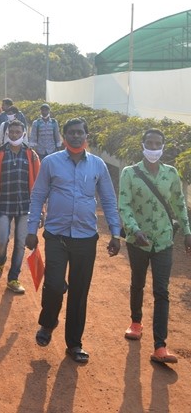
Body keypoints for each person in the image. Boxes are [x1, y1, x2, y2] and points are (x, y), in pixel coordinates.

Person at [26, 117, 122, 364]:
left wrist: (115, 232)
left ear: (86, 135)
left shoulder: (98, 166)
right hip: (56, 235)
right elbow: (38, 196)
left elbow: (109, 200)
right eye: (71, 133)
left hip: (85, 238)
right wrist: (31, 228)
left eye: (80, 132)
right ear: (64, 137)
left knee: (79, 292)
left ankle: (74, 344)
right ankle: (47, 324)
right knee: (55, 284)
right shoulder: (50, 162)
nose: (76, 136)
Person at [118, 128, 191, 364]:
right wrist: (134, 229)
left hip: (163, 239)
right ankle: (136, 322)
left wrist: (187, 231)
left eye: (157, 143)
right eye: (149, 143)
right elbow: (124, 205)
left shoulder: (171, 174)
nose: (153, 147)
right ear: (142, 145)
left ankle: (160, 345)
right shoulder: (130, 173)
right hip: (137, 240)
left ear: (163, 146)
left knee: (162, 290)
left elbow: (179, 205)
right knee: (137, 281)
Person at [0, 120, 41, 293]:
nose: (14, 135)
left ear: (24, 134)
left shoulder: (31, 155)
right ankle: (0, 261)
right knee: (2, 239)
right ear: (7, 133)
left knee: (20, 243)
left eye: (18, 132)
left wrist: (41, 210)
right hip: (4, 204)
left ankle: (14, 278)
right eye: (12, 132)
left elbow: (39, 185)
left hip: (25, 206)